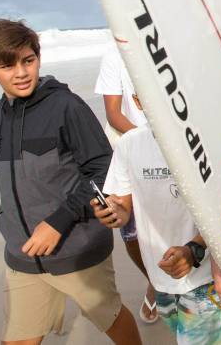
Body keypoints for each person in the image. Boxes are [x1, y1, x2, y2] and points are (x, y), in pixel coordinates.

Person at [0, 19, 141, 345]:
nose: (21, 72)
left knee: (111, 319)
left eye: (28, 60)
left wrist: (57, 222)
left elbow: (102, 168)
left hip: (77, 249)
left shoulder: (66, 106)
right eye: (8, 65)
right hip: (22, 255)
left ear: (38, 58)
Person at [93, 93, 221, 344]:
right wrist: (112, 211)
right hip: (160, 276)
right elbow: (122, 207)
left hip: (206, 276)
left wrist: (194, 250)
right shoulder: (130, 144)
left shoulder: (209, 140)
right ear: (137, 100)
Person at [95, 44, 157, 324]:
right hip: (131, 144)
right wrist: (150, 144)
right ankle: (155, 280)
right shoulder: (113, 54)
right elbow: (113, 113)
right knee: (131, 232)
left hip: (177, 146)